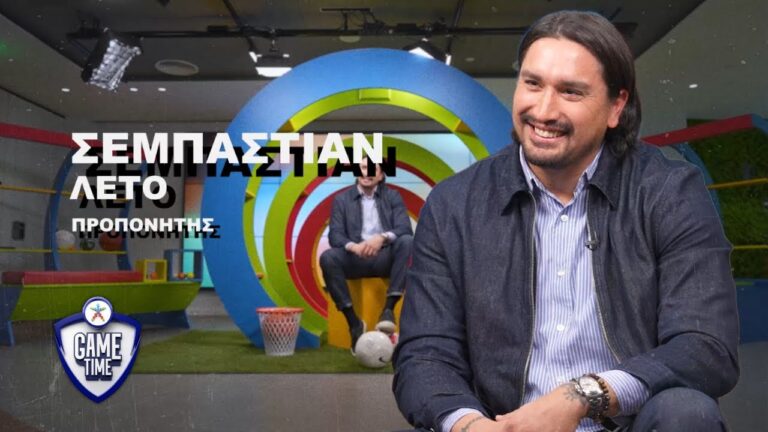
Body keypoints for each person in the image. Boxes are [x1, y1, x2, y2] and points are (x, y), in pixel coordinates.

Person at [392, 10, 739, 432]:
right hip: (501, 424)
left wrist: (583, 396)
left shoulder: (669, 192)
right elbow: (425, 355)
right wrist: (469, 425)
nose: (543, 110)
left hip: (628, 422)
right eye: (532, 83)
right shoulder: (454, 205)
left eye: (571, 92)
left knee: (687, 411)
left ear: (616, 106)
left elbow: (705, 346)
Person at [320, 159, 413, 351]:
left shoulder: (393, 196)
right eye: (363, 168)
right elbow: (335, 235)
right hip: (355, 258)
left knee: (406, 241)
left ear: (381, 175)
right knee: (328, 257)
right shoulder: (341, 199)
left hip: (384, 258)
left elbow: (404, 228)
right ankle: (354, 323)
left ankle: (388, 310)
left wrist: (381, 238)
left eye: (373, 170)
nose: (367, 173)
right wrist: (353, 246)